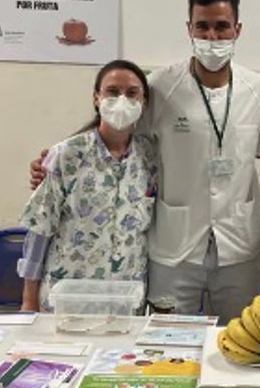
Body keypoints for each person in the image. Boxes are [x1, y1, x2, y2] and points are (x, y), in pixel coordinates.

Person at [28, 0, 260, 388]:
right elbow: (115, 113)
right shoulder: (162, 84)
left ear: (238, 30)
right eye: (203, 27)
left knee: (240, 360)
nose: (213, 36)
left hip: (236, 245)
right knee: (167, 361)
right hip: (174, 248)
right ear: (189, 28)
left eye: (222, 27)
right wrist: (56, 152)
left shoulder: (256, 89)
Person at [17, 60, 158, 313]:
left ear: (144, 101)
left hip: (125, 302)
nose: (122, 100)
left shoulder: (150, 158)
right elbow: (40, 229)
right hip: (68, 299)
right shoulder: (67, 155)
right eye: (112, 92)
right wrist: (28, 300)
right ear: (96, 98)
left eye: (132, 93)